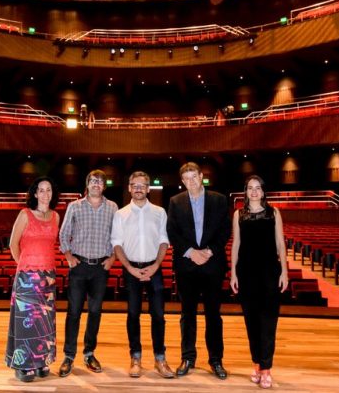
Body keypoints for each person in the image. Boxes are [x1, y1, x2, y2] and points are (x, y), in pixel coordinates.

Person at [166, 162, 231, 379]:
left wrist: (209, 251)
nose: (191, 182)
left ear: (202, 176)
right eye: (187, 179)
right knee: (187, 314)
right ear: (182, 181)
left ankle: (216, 360)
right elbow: (172, 232)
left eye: (195, 177)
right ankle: (188, 357)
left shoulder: (219, 199)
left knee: (213, 314)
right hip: (187, 265)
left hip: (212, 265)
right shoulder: (175, 202)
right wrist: (191, 252)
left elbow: (225, 230)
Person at [111, 171, 175, 379]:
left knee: (158, 315)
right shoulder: (120, 214)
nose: (138, 188)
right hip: (131, 270)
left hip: (154, 269)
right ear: (129, 188)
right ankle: (135, 357)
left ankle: (160, 358)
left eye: (142, 185)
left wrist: (156, 264)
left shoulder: (160, 212)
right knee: (132, 315)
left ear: (148, 188)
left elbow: (164, 240)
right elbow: (117, 244)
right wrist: (130, 268)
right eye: (134, 185)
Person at [229, 175, 289, 389]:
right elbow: (236, 245)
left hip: (269, 273)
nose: (254, 192)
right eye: (250, 188)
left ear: (263, 192)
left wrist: (285, 272)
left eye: (257, 188)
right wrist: (233, 274)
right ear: (245, 192)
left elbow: (280, 244)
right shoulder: (238, 215)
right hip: (246, 273)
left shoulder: (274, 213)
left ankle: (266, 369)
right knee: (251, 322)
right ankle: (257, 364)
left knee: (268, 322)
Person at [58, 169, 118, 377]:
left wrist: (112, 258)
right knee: (73, 313)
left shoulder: (112, 207)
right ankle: (68, 356)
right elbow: (64, 234)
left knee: (95, 312)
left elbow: (117, 236)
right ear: (87, 184)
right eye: (93, 181)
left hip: (101, 268)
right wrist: (68, 256)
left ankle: (89, 353)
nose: (96, 184)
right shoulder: (74, 206)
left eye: (100, 182)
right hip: (79, 266)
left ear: (104, 186)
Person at [5, 176, 60, 382]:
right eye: (41, 190)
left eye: (49, 190)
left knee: (44, 322)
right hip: (27, 277)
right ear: (35, 194)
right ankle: (24, 365)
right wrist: (25, 267)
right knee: (26, 324)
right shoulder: (25, 214)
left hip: (49, 277)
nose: (45, 194)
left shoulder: (56, 216)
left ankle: (41, 361)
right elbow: (13, 244)